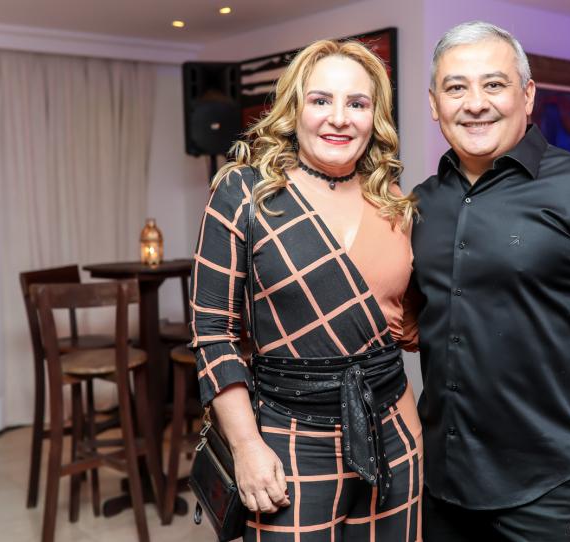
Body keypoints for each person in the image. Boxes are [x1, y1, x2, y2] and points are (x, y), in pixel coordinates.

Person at [410, 21, 570, 542]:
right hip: (441, 483)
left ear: (527, 96)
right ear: (434, 104)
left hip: (549, 487)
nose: (475, 104)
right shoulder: (421, 204)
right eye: (455, 88)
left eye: (494, 84)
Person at [189, 39, 422, 541]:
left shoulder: (393, 200)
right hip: (286, 438)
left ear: (374, 117)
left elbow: (407, 318)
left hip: (394, 428)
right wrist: (245, 445)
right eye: (321, 100)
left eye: (356, 103)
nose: (339, 118)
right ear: (295, 108)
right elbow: (212, 332)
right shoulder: (244, 192)